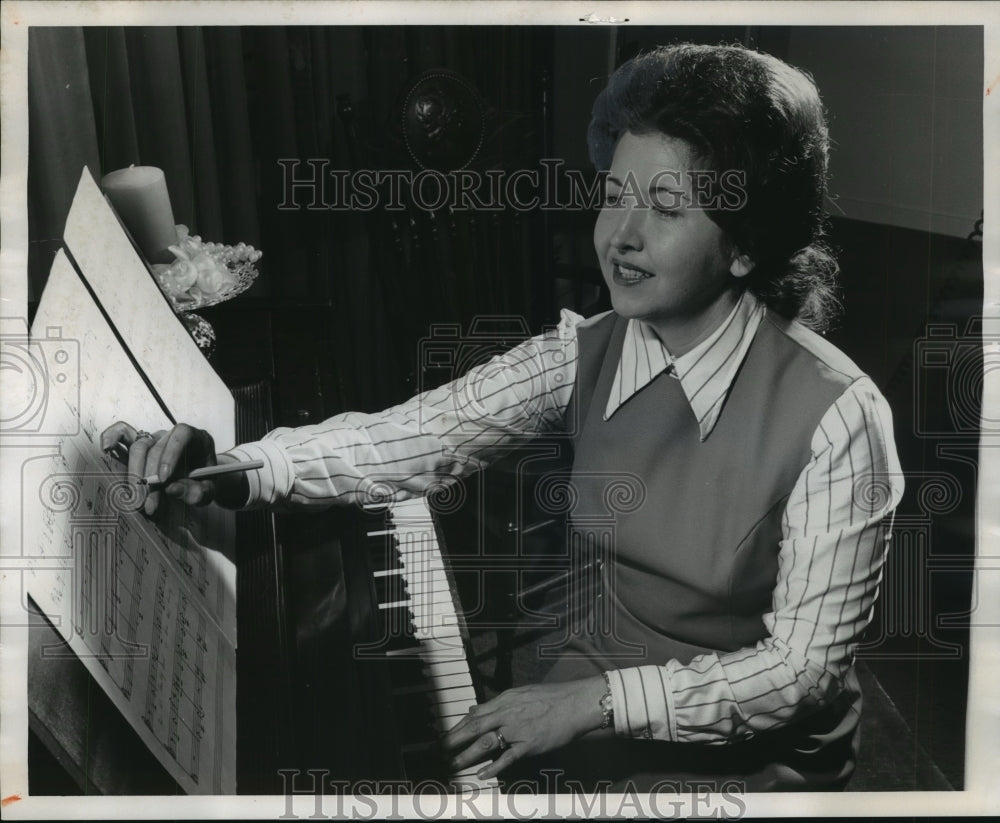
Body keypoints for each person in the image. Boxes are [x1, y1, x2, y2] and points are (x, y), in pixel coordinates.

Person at [102, 43, 903, 792]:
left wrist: (591, 703)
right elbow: (417, 436)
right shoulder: (584, 351)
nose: (620, 236)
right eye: (613, 194)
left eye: (665, 206)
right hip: (600, 673)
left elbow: (799, 674)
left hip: (752, 754)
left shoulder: (841, 418)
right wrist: (242, 470)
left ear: (744, 245)